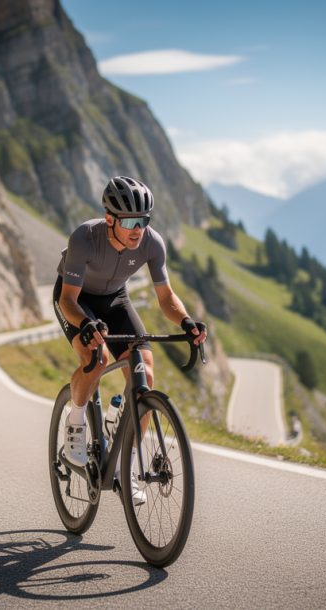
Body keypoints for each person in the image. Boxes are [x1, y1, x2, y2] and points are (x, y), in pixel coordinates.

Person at [53, 175, 208, 505]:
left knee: (145, 373)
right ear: (110, 219)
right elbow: (67, 300)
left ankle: (129, 468)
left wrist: (185, 320)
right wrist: (86, 323)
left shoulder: (152, 243)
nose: (139, 229)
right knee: (97, 358)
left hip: (115, 299)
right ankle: (76, 426)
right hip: (77, 300)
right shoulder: (85, 237)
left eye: (144, 220)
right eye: (130, 222)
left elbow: (166, 297)